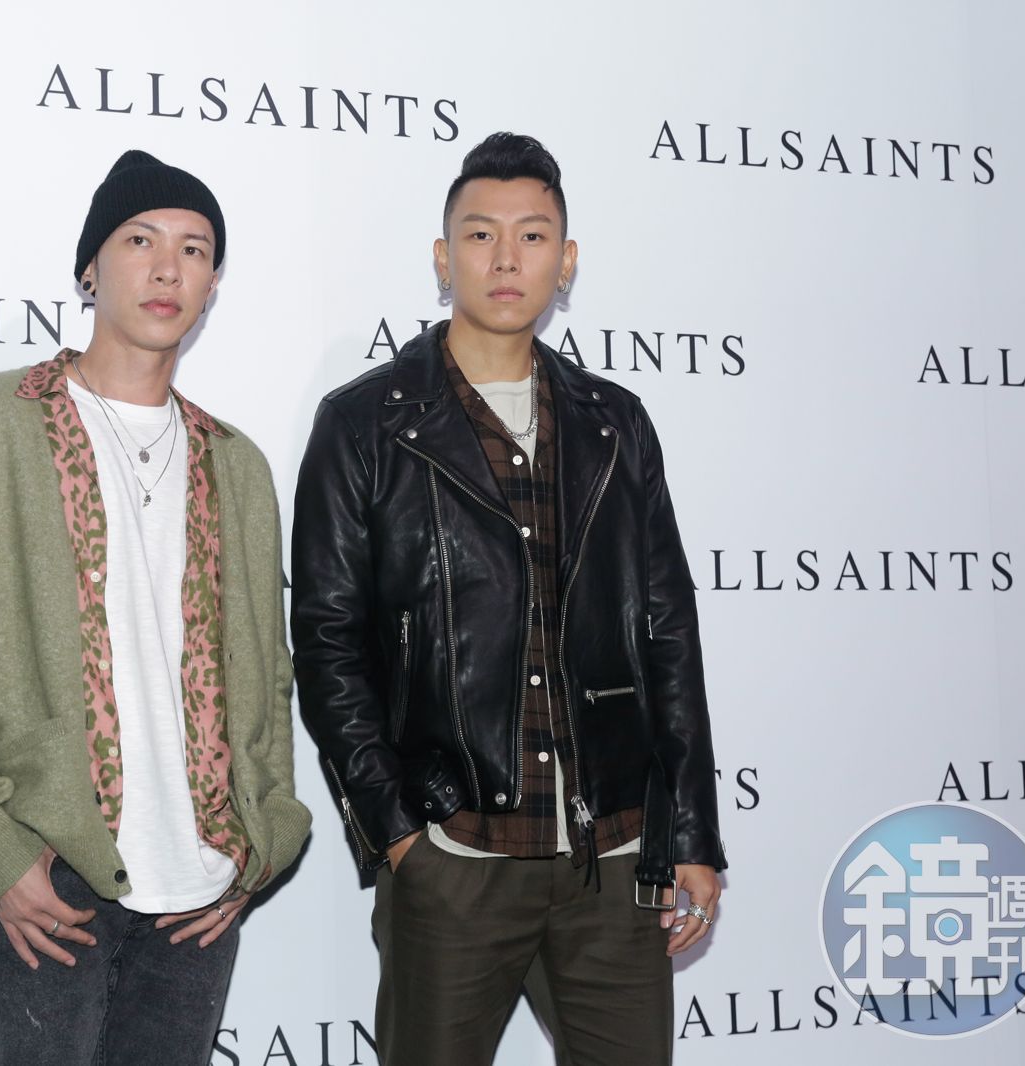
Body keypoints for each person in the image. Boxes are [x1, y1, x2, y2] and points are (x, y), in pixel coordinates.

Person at [291, 131, 726, 1066]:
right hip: (456, 855)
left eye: (532, 236)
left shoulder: (615, 423)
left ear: (566, 263)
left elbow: (667, 631)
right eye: (480, 234)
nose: (505, 258)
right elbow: (328, 644)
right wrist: (400, 836)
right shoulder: (365, 425)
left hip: (613, 859)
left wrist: (690, 829)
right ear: (442, 257)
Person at [0, 149, 309, 1065]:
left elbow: (268, 674)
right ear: (90, 268)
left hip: (199, 886)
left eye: (195, 250)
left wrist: (265, 834)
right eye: (139, 241)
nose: (168, 269)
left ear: (212, 284)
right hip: (49, 871)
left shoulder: (236, 463)